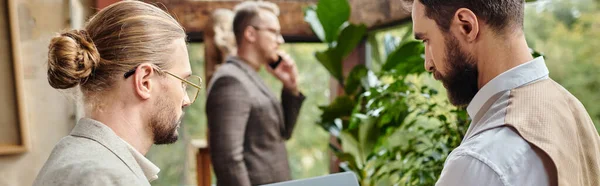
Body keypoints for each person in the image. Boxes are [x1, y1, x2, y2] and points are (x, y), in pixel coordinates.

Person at [408, 0, 600, 185]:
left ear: (466, 26)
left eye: (427, 40)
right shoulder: (574, 112)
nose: (428, 64)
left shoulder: (478, 163)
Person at [33, 1, 202, 185]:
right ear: (145, 81)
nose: (186, 100)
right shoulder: (110, 178)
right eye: (183, 82)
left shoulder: (67, 155)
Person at [205, 1, 305, 186]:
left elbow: (282, 133)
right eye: (274, 32)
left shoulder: (251, 76)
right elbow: (227, 160)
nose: (280, 40)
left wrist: (291, 87)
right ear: (250, 33)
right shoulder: (230, 81)